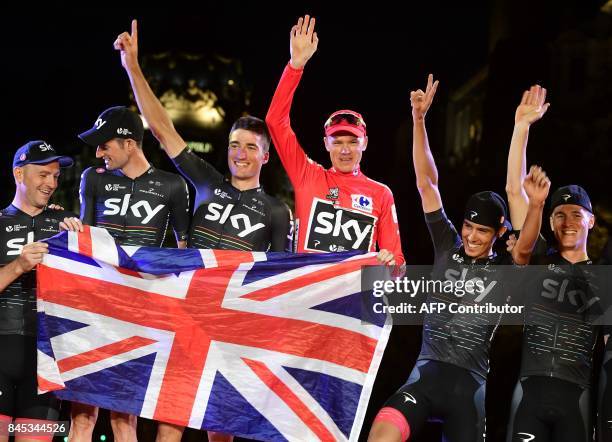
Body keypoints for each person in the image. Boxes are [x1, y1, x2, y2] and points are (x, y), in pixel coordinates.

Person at [113, 19, 292, 442]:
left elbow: (286, 281)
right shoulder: (208, 182)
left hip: (232, 328)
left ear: (266, 157)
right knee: (169, 426)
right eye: (234, 144)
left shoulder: (277, 211)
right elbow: (161, 128)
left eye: (251, 146)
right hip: (184, 316)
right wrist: (132, 67)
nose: (240, 153)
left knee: (219, 434)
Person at [368, 76, 549, 442]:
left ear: (499, 233)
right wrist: (419, 120)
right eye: (467, 226)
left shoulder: (505, 268)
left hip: (470, 392)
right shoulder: (447, 244)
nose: (470, 236)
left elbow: (526, 242)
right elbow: (426, 183)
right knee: (381, 433)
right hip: (424, 376)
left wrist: (538, 205)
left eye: (481, 231)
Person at [70, 104, 191, 441]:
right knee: (82, 416)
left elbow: (184, 254)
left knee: (124, 420)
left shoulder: (173, 185)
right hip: (96, 310)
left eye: (104, 144)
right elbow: (86, 239)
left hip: (141, 314)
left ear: (130, 143)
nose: (98, 152)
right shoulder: (92, 178)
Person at [265, 15, 403, 268]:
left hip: (353, 302)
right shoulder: (308, 175)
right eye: (337, 141)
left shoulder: (381, 194)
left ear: (365, 143)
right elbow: (275, 121)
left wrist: (390, 264)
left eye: (353, 141)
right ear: (326, 144)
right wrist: (295, 66)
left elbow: (398, 267)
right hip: (304, 297)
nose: (345, 149)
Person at [505, 85, 601, 442]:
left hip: (577, 398)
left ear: (591, 221)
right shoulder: (539, 257)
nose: (568, 221)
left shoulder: (602, 275)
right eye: (559, 214)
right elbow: (516, 191)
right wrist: (521, 128)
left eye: (577, 214)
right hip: (529, 393)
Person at [0, 140, 76, 442]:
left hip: (46, 359)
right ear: (19, 174)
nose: (51, 183)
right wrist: (18, 265)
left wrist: (79, 244)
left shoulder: (65, 226)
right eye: (44, 174)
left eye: (56, 176)